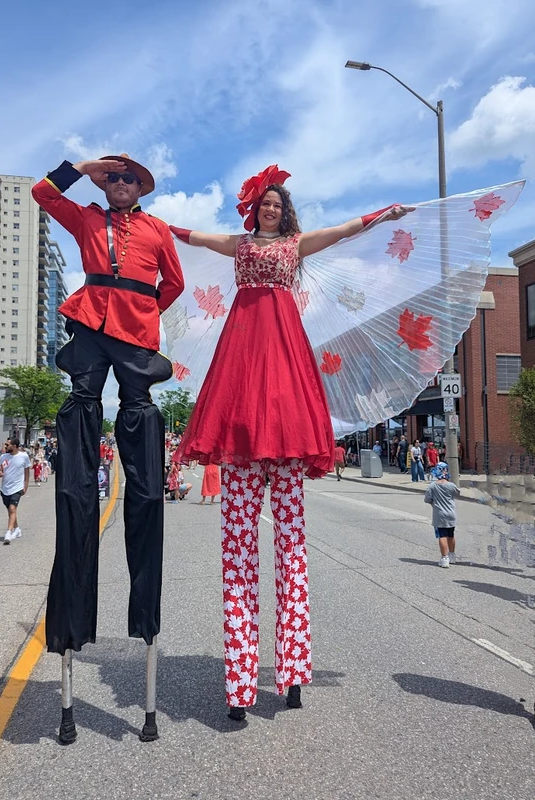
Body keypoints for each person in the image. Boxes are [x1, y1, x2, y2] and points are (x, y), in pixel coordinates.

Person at [170, 165, 408, 719]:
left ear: (285, 209)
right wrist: (146, 221)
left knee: (291, 547)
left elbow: (344, 231)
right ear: (254, 206)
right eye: (265, 201)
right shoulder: (238, 245)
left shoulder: (297, 246)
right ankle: (239, 684)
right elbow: (192, 236)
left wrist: (382, 215)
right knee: (237, 551)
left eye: (279, 202)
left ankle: (294, 670)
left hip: (284, 372)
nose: (271, 207)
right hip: (241, 365)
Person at [32, 153, 184, 656]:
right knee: (81, 403)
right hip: (92, 322)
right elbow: (43, 194)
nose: (120, 183)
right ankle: (79, 481)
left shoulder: (158, 229)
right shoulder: (88, 218)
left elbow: (174, 283)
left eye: (129, 178)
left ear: (141, 187)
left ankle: (143, 610)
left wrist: (143, 310)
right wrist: (80, 166)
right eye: (113, 177)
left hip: (134, 328)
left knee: (138, 412)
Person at [424, 462, 460, 568]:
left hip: (439, 514)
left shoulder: (432, 486)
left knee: (442, 535)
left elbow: (427, 499)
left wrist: (434, 502)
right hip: (451, 513)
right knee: (451, 535)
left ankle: (444, 558)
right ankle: (452, 555)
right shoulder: (451, 485)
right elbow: (457, 493)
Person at [0, 438, 31, 544]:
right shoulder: (3, 457)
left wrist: (25, 485)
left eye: (8, 444)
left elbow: (27, 472)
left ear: (15, 446)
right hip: (5, 488)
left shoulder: (24, 456)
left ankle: (8, 533)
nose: (6, 446)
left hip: (17, 487)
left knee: (12, 509)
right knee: (11, 511)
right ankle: (17, 529)